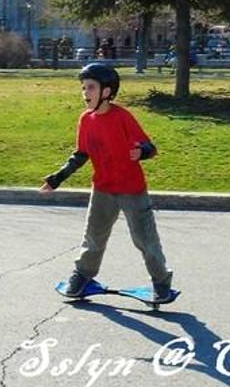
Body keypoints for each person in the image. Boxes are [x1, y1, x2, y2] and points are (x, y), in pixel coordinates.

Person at [40, 62, 173, 299]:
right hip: (102, 189)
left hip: (131, 189)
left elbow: (150, 147)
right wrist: (57, 178)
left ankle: (161, 282)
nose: (85, 93)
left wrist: (141, 152)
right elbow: (81, 154)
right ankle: (82, 275)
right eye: (83, 88)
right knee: (93, 237)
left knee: (145, 239)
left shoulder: (122, 117)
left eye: (91, 87)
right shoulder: (86, 119)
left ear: (107, 91)